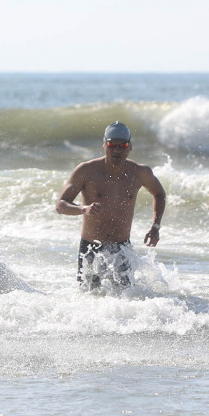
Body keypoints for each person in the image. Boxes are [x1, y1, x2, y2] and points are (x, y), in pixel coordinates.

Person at [56, 121, 166, 291]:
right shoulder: (86, 171)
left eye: (122, 145)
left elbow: (159, 194)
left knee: (127, 301)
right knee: (89, 299)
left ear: (129, 147)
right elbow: (61, 205)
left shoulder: (139, 172)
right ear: (104, 145)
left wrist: (155, 226)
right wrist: (84, 210)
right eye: (111, 144)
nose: (117, 150)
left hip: (122, 249)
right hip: (91, 249)